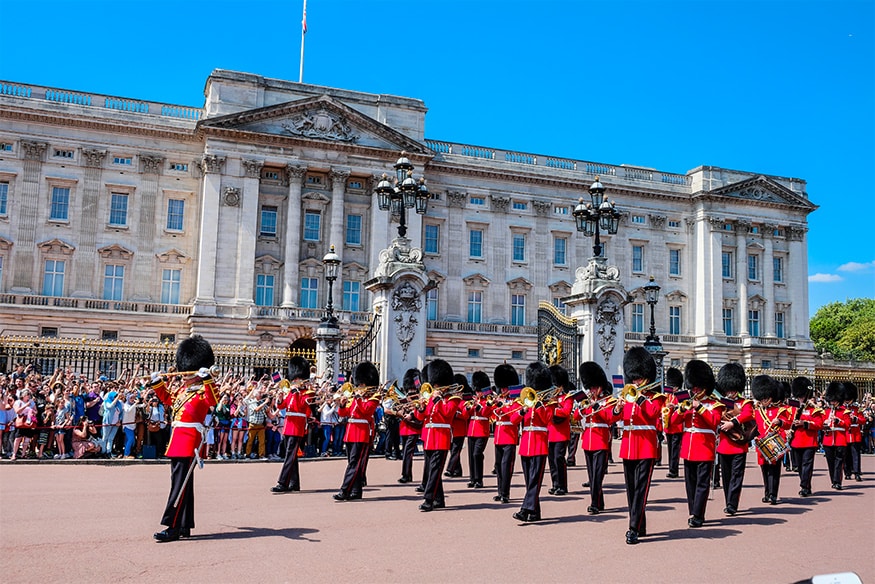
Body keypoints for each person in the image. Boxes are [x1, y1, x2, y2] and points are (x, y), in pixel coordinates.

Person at [152, 334, 220, 543]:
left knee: (179, 486)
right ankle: (183, 525)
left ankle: (171, 526)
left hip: (189, 441)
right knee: (183, 484)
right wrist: (157, 384)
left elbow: (213, 400)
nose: (183, 373)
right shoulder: (183, 389)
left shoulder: (202, 390)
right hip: (177, 440)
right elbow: (169, 400)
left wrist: (207, 378)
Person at [618, 347, 664, 545]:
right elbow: (616, 417)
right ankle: (640, 525)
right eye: (633, 378)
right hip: (628, 445)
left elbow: (654, 413)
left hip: (645, 445)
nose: (635, 381)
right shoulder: (627, 395)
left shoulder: (656, 397)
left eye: (638, 378)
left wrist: (641, 398)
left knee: (641, 489)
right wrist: (618, 407)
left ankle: (633, 527)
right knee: (630, 489)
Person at [672, 360, 722, 528]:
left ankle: (698, 514)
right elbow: (671, 423)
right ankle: (692, 510)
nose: (694, 391)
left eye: (697, 388)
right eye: (693, 388)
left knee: (702, 483)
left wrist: (699, 408)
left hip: (704, 447)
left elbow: (714, 421)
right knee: (690, 483)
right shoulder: (686, 403)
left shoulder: (714, 404)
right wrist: (680, 410)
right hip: (688, 448)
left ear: (704, 387)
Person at [415, 359, 461, 512]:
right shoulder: (430, 398)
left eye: (435, 385)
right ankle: (439, 500)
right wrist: (421, 408)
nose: (434, 388)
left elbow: (448, 413)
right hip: (429, 437)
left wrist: (437, 400)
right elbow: (422, 417)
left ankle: (428, 500)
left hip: (442, 437)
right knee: (431, 470)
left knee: (435, 469)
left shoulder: (453, 399)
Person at [512, 362, 554, 523]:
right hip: (526, 445)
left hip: (539, 444)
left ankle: (525, 509)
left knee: (534, 480)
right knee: (530, 481)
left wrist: (539, 406)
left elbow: (547, 419)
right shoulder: (524, 400)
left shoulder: (548, 402)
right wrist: (522, 410)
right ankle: (535, 513)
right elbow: (513, 420)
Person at [577, 361, 620, 515]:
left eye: (594, 387)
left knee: (597, 476)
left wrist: (596, 407)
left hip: (601, 441)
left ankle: (594, 503)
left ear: (601, 387)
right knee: (591, 475)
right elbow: (576, 416)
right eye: (590, 387)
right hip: (588, 441)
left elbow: (610, 418)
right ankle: (599, 502)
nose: (592, 390)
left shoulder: (609, 401)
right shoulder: (588, 400)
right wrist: (581, 407)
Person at [333, 361, 381, 501]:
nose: (359, 387)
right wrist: (342, 405)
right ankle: (356, 492)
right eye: (358, 384)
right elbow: (346, 413)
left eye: (361, 385)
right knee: (353, 464)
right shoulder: (356, 398)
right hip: (351, 432)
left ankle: (345, 490)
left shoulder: (374, 397)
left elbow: (366, 411)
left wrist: (359, 398)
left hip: (361, 433)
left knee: (354, 463)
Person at [716, 363, 755, 515]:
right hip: (724, 444)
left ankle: (732, 504)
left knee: (736, 476)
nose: (730, 392)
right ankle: (728, 501)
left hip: (739, 445)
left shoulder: (744, 402)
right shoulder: (720, 403)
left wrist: (732, 422)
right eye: (728, 388)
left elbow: (748, 414)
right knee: (726, 477)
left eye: (733, 389)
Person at [272, 356, 313, 493]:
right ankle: (294, 483)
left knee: (290, 454)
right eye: (294, 379)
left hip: (297, 427)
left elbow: (303, 407)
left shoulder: (307, 393)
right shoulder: (290, 392)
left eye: (297, 379)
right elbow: (284, 405)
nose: (295, 381)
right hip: (288, 425)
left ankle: (282, 482)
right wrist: (279, 399)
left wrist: (296, 393)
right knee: (291, 455)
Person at [751, 375, 791, 504]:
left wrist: (779, 421)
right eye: (762, 399)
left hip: (774, 443)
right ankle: (767, 492)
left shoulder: (779, 410)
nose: (764, 401)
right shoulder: (757, 411)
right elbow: (753, 426)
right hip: (762, 443)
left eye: (766, 398)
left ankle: (773, 494)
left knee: (774, 470)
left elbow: (787, 423)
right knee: (764, 470)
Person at [787, 376, 823, 497]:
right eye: (799, 396)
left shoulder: (814, 409)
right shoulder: (791, 407)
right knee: (799, 465)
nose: (801, 399)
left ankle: (804, 486)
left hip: (809, 441)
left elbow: (818, 424)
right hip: (796, 440)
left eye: (802, 397)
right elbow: (786, 421)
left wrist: (804, 423)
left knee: (807, 464)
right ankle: (806, 485)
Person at [491, 364, 520, 504]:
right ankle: (499, 491)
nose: (503, 390)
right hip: (498, 436)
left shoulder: (516, 401)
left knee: (506, 465)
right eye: (502, 387)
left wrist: (504, 406)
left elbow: (514, 417)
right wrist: (495, 405)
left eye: (505, 387)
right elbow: (490, 415)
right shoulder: (499, 400)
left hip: (509, 436)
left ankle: (505, 493)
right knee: (498, 465)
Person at [546, 365, 573, 496]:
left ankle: (563, 485)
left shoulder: (567, 397)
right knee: (551, 459)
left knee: (559, 458)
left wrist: (554, 407)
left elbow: (566, 412)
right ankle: (555, 484)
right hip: (551, 433)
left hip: (562, 433)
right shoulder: (551, 397)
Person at [464, 371, 493, 490]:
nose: (477, 393)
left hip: (482, 430)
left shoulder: (488, 401)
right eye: (476, 391)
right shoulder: (473, 400)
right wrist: (468, 408)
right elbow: (466, 415)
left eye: (479, 390)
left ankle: (479, 479)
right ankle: (473, 479)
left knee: (477, 454)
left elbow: (487, 414)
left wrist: (479, 406)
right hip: (472, 430)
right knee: (471, 455)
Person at [821, 381, 850, 490]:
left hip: (840, 439)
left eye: (835, 400)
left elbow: (847, 425)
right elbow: (821, 424)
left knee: (839, 462)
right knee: (830, 462)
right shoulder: (826, 411)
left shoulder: (845, 412)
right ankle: (833, 480)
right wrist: (824, 425)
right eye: (831, 400)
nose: (833, 402)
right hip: (828, 439)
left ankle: (837, 481)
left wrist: (838, 421)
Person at [397, 368, 422, 484]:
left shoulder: (419, 397)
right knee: (405, 452)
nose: (411, 391)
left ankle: (406, 475)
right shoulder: (404, 397)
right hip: (404, 426)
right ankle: (408, 474)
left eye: (413, 388)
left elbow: (420, 411)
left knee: (408, 451)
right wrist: (401, 410)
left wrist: (411, 412)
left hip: (413, 427)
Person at [444, 374, 470, 479]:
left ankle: (450, 469)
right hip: (452, 430)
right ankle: (458, 470)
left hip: (459, 430)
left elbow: (465, 415)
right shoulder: (451, 401)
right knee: (453, 450)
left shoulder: (464, 402)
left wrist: (456, 414)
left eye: (458, 392)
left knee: (455, 450)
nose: (456, 393)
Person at [661, 367, 684, 479]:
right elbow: (662, 407)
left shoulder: (682, 395)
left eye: (674, 386)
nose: (673, 388)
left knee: (675, 449)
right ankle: (671, 467)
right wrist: (666, 406)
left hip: (678, 426)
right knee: (670, 449)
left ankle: (673, 470)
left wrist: (675, 406)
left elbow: (685, 407)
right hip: (668, 425)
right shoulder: (667, 395)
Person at [843, 382, 863, 482]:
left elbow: (862, 420)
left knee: (856, 455)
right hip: (845, 435)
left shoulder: (856, 409)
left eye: (849, 399)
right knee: (846, 455)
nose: (847, 401)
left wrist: (855, 419)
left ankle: (857, 472)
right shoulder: (842, 409)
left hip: (855, 435)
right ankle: (847, 472)